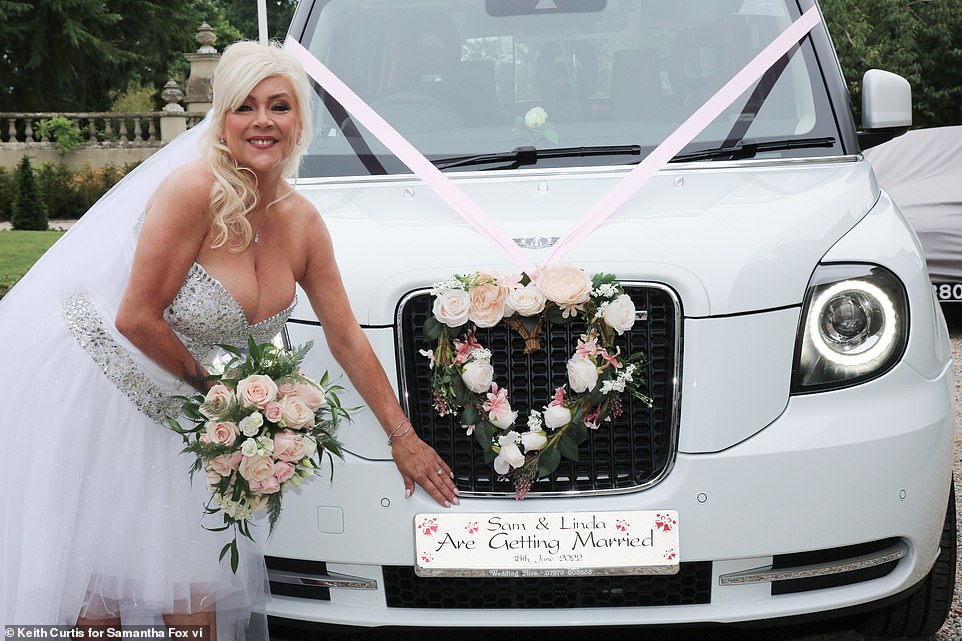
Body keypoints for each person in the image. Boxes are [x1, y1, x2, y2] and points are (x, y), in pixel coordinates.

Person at [0, 41, 458, 637]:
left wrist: (405, 438)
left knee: (193, 606)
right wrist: (224, 392)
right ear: (222, 121)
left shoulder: (304, 224)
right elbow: (136, 318)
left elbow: (345, 336)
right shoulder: (193, 193)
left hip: (191, 407)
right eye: (244, 107)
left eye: (279, 106)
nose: (262, 121)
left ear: (300, 123)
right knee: (101, 605)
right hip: (107, 394)